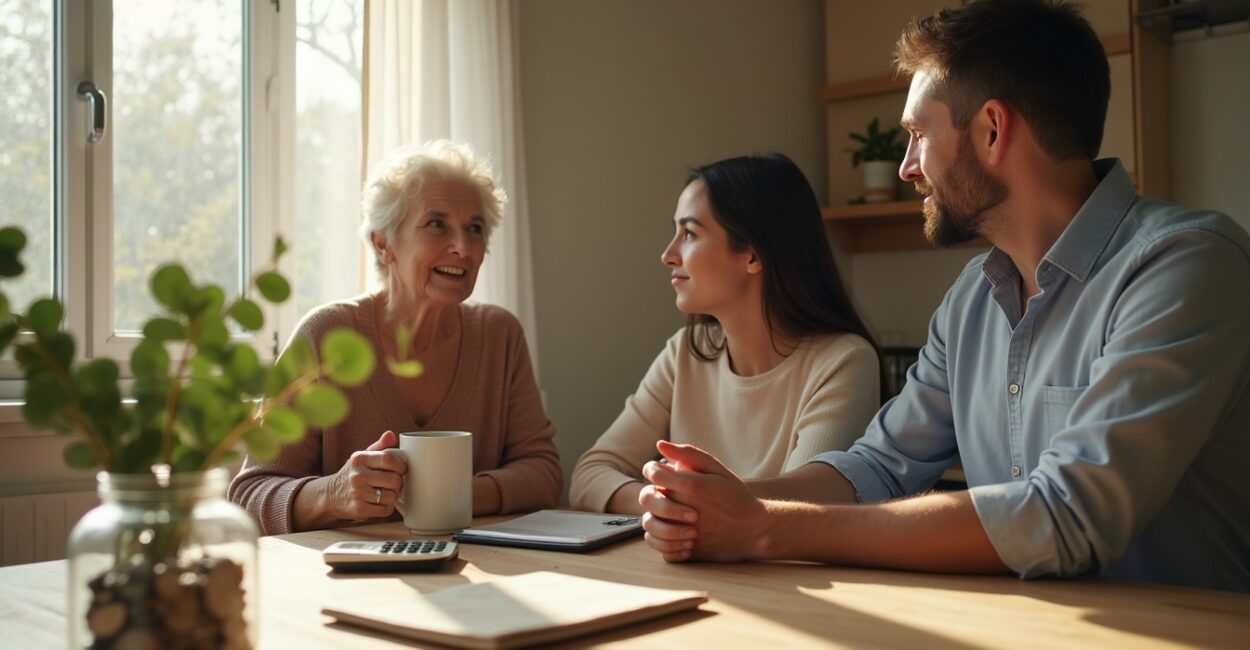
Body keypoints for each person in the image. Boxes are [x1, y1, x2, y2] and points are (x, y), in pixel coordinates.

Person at [638, 0, 1250, 592]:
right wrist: (721, 504)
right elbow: (878, 466)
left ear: (992, 130)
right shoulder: (970, 301)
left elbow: (1066, 514)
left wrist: (764, 528)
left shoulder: (1186, 265)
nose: (907, 167)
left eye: (917, 134)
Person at [229, 141, 561, 535]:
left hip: (476, 568)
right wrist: (333, 494)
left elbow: (544, 473)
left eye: (475, 229)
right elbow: (248, 496)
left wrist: (449, 496)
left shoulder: (499, 335)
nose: (463, 247)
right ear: (383, 243)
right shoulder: (326, 336)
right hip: (348, 570)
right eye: (437, 224)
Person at [569, 154, 883, 515]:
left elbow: (804, 509)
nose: (668, 255)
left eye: (689, 233)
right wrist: (662, 504)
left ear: (752, 255)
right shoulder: (685, 353)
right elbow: (589, 474)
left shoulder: (844, 361)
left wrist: (684, 500)